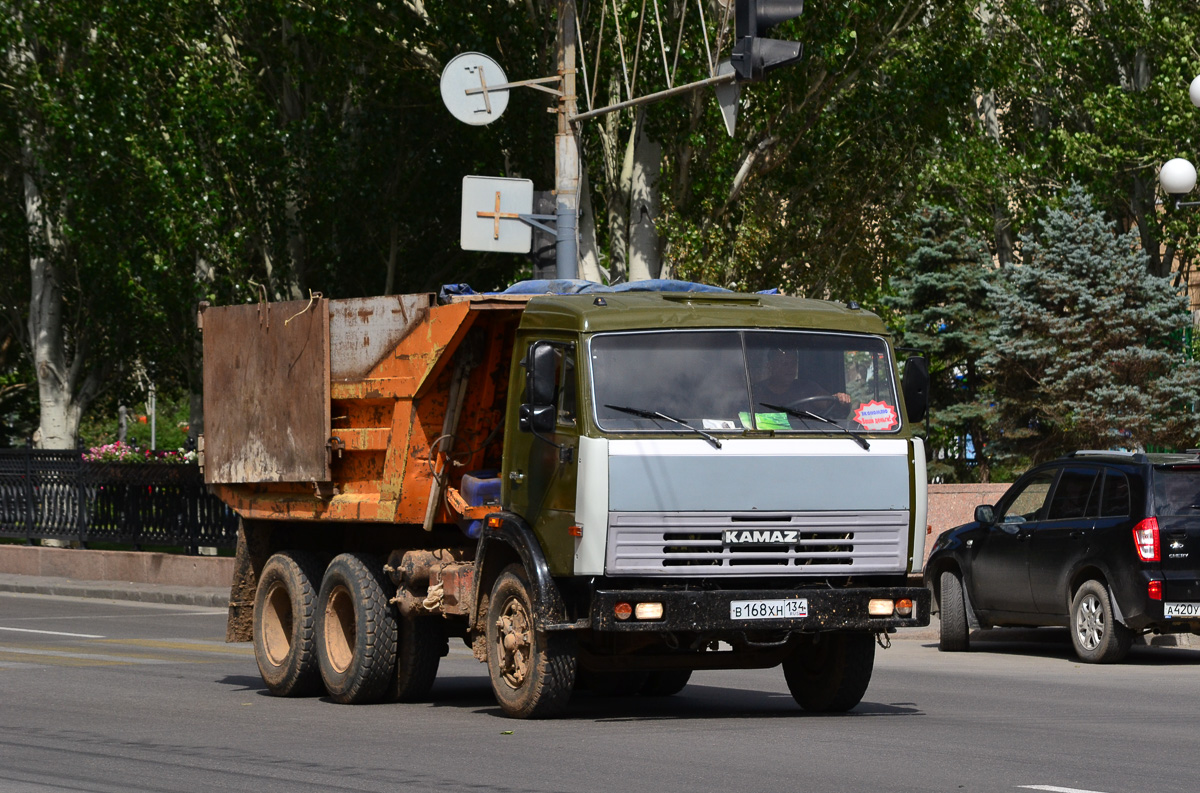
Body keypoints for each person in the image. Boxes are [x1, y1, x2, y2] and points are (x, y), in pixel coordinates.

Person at [752, 348, 850, 418]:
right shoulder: (756, 392)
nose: (790, 368)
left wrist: (839, 399)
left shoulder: (808, 388)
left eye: (793, 363)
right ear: (771, 366)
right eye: (785, 364)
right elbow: (738, 418)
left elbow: (828, 403)